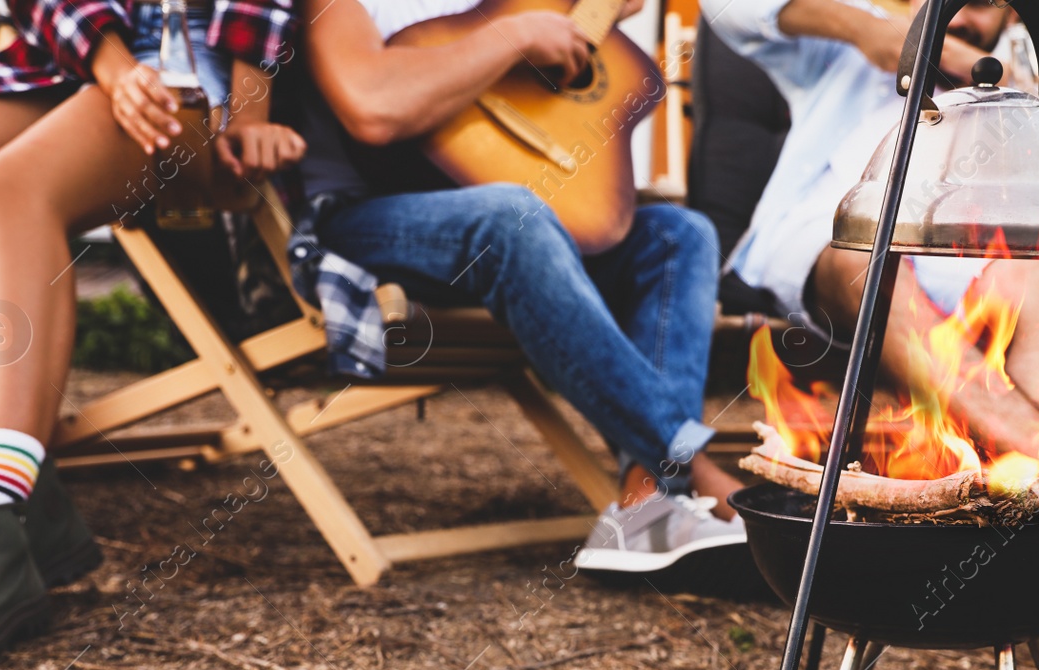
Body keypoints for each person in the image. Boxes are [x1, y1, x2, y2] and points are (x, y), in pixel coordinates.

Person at [0, 0, 306, 670]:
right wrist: (113, 67)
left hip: (195, 75)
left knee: (13, 185)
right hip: (80, 61)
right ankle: (23, 497)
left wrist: (250, 112)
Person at [297, 0, 747, 579]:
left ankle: (646, 500)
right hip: (371, 220)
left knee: (679, 233)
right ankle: (691, 463)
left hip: (521, 230)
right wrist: (510, 38)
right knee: (511, 213)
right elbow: (373, 108)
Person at [715, 0, 1039, 457]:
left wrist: (975, 71)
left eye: (980, 4)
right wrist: (865, 28)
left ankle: (1036, 485)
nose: (958, 18)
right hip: (834, 245)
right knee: (870, 260)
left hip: (969, 267)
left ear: (1012, 15)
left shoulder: (1019, 94)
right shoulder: (838, 56)